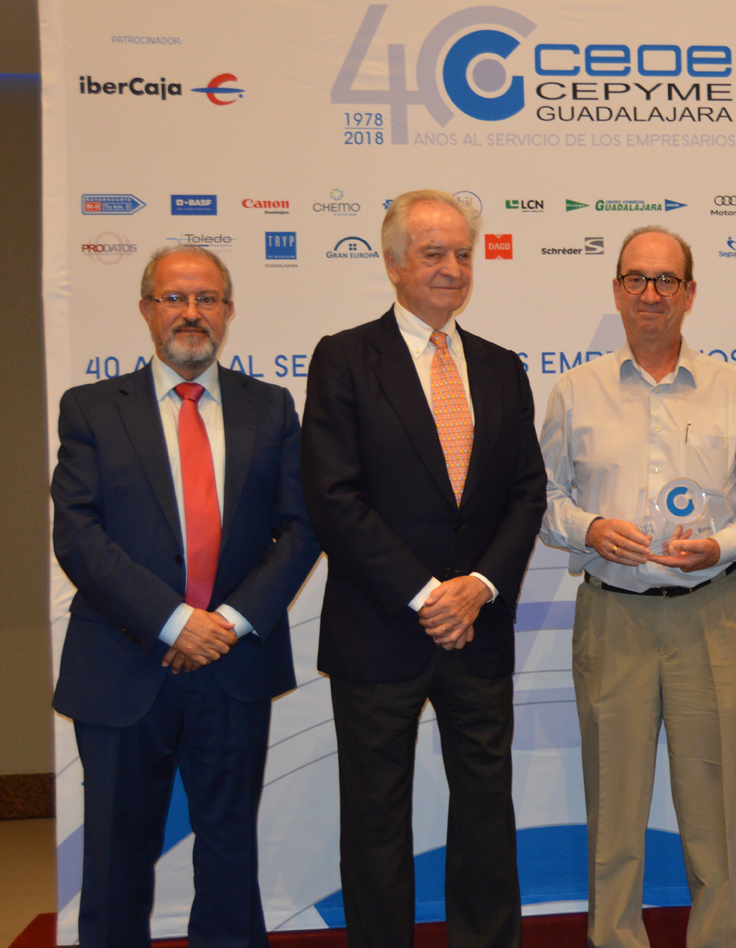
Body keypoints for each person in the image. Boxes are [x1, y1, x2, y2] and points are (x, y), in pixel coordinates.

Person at [51, 245, 320, 948]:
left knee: (230, 853)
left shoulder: (271, 407)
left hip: (233, 664)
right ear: (147, 309)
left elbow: (301, 528)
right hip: (121, 665)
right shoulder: (90, 409)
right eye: (174, 298)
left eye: (207, 298)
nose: (191, 313)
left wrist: (224, 624)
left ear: (228, 311)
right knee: (115, 858)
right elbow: (78, 534)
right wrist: (174, 623)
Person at [300, 189, 546, 948]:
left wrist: (479, 588)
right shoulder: (345, 358)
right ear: (394, 264)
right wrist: (427, 594)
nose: (452, 268)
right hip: (380, 631)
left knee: (486, 817)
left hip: (480, 628)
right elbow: (334, 498)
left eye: (463, 254)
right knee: (376, 823)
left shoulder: (501, 367)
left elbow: (526, 492)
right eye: (434, 253)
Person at [539, 226, 736, 948]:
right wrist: (590, 529)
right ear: (617, 290)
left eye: (666, 280)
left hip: (711, 618)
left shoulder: (731, 389)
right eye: (637, 279)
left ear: (689, 293)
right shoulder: (575, 391)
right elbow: (543, 501)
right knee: (613, 816)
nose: (650, 294)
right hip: (612, 618)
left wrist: (721, 545)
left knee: (715, 817)